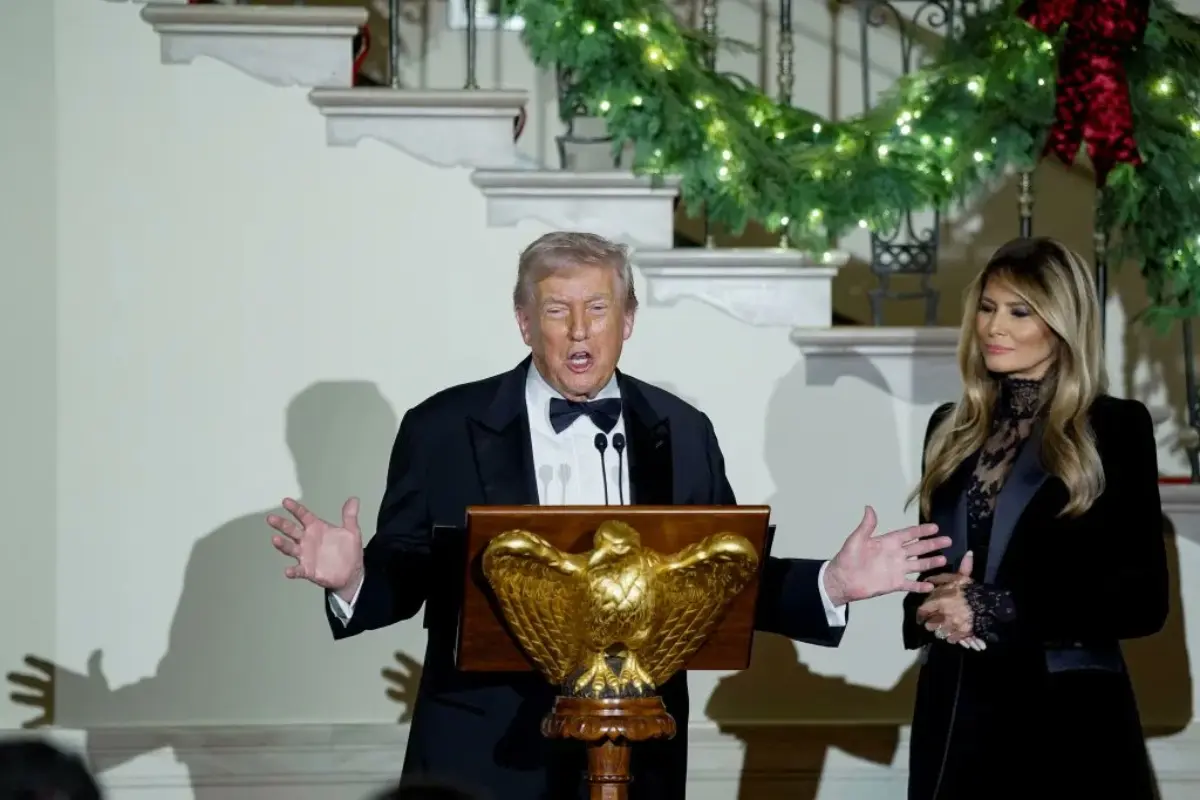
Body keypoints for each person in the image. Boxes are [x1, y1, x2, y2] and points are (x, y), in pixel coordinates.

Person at [266, 231, 951, 800]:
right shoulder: (443, 426)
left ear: (627, 321)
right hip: (483, 754)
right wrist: (352, 578)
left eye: (598, 309)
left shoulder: (682, 430)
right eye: (557, 310)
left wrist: (832, 583)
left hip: (636, 749)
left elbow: (723, 577)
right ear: (524, 320)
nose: (579, 331)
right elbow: (409, 566)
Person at [902, 237, 1167, 800]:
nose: (995, 326)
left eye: (1020, 311)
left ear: (1062, 323)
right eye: (988, 307)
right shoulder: (948, 429)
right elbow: (923, 575)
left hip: (1066, 718)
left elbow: (1142, 599)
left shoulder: (1115, 428)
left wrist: (993, 605)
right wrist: (932, 601)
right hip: (955, 712)